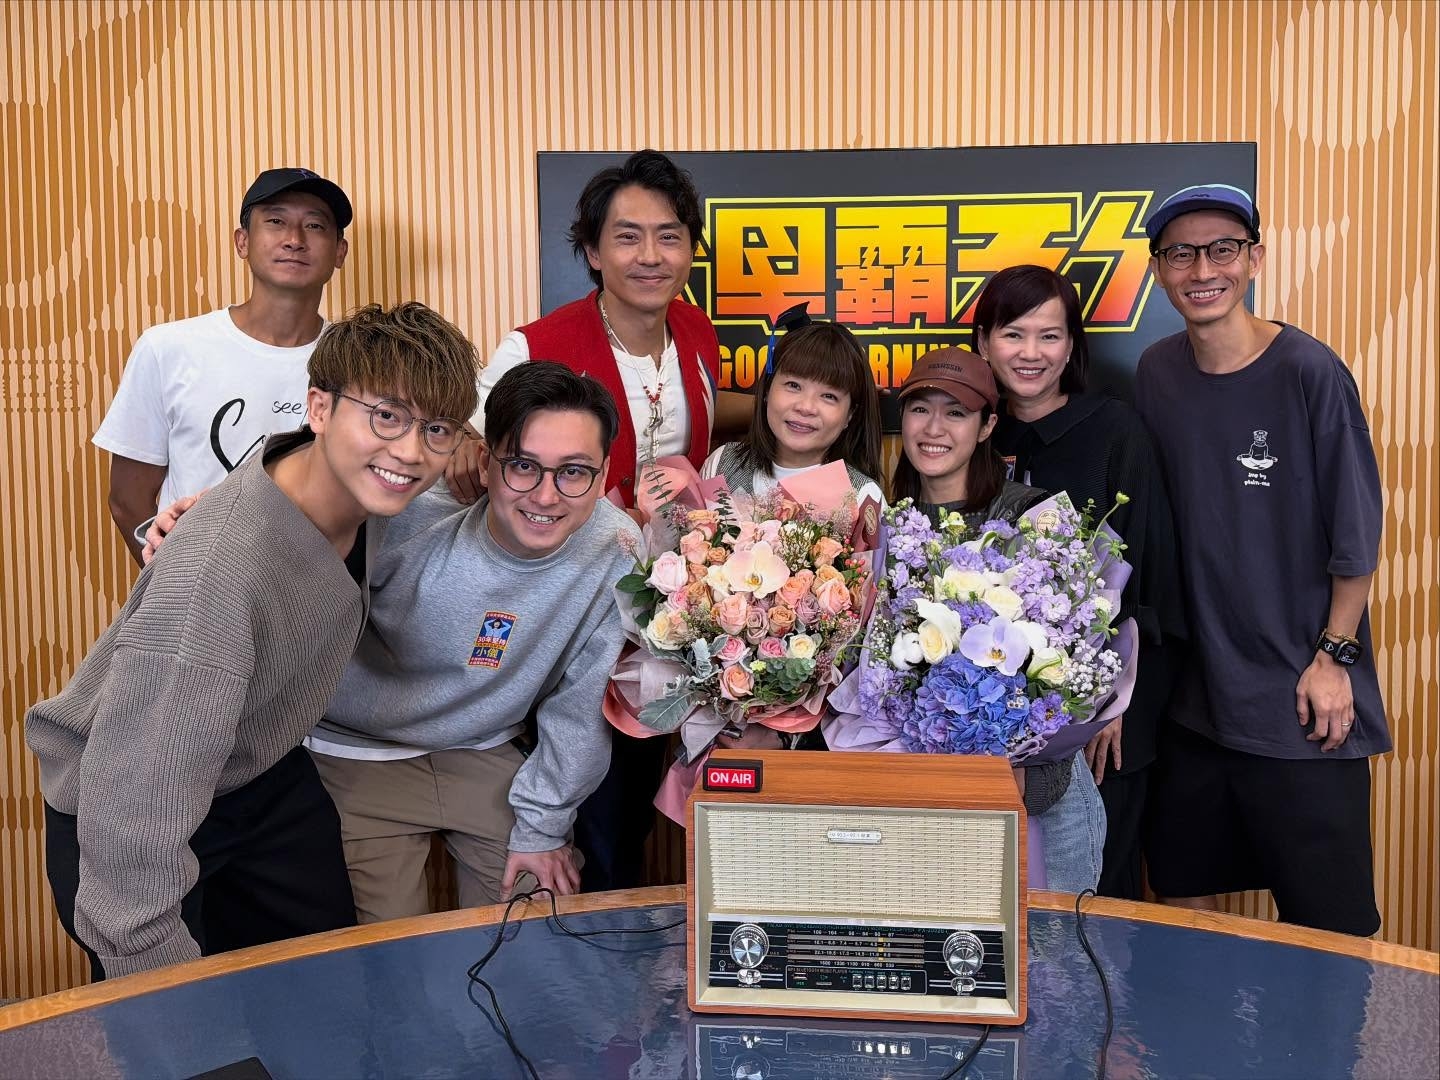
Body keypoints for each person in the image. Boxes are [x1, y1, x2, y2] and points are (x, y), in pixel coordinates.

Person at [27, 302, 480, 979]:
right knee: (186, 1020)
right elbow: (132, 825)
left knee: (325, 986)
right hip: (126, 800)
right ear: (319, 407)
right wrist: (166, 994)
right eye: (385, 416)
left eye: (435, 429)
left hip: (256, 770)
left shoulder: (347, 481)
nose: (412, 452)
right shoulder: (218, 573)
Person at [1135, 183, 1388, 935]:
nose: (1202, 270)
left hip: (1301, 696)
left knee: (1332, 927)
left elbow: (1356, 533)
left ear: (1255, 259)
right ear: (1158, 271)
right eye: (1181, 254)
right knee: (1180, 894)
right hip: (1195, 701)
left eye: (1223, 249)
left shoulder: (1309, 370)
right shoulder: (1156, 372)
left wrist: (1334, 659)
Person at [305, 363, 640, 920]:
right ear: (485, 464)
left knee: (532, 919)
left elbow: (581, 708)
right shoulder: (406, 507)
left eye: (574, 472)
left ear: (604, 475)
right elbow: (288, 521)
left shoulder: (616, 548)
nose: (546, 496)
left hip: (487, 751)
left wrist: (543, 826)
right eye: (523, 466)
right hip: (360, 751)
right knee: (387, 950)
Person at [977, 265, 1186, 900]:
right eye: (1013, 334)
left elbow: (1149, 579)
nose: (1031, 353)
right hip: (988, 723)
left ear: (1072, 346)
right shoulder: (971, 432)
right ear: (984, 342)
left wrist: (1115, 706)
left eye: (1050, 335)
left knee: (1095, 894)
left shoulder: (1115, 432)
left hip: (1100, 722)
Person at [893, 347, 1106, 894]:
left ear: (988, 426)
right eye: (920, 409)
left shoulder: (1034, 515)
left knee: (1053, 943)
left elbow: (1079, 650)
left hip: (1040, 795)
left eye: (956, 413)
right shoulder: (886, 525)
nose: (934, 429)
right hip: (924, 801)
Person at [450, 149, 750, 507]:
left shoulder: (697, 328)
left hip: (686, 539)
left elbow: (700, 399)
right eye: (628, 237)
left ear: (692, 250)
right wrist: (462, 445)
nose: (650, 256)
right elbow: (462, 440)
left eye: (669, 237)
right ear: (593, 251)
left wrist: (781, 405)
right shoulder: (531, 348)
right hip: (572, 540)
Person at [93, 167, 352, 564]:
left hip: (319, 587)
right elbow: (128, 500)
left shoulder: (359, 363)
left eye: (315, 225)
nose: (294, 239)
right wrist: (174, 581)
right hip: (196, 583)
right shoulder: (168, 348)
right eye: (276, 221)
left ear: (339, 252)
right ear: (242, 241)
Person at [701, 319, 884, 505]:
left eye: (829, 396)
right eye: (794, 385)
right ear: (767, 390)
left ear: (850, 415)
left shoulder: (863, 496)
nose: (806, 407)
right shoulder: (723, 464)